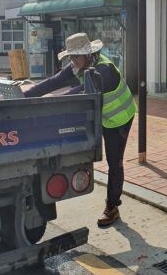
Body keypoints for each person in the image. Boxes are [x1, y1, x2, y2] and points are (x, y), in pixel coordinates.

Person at [24, 33, 136, 227]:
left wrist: (52, 101)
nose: (73, 61)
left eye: (76, 56)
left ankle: (112, 207)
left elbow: (80, 93)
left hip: (120, 118)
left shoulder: (103, 70)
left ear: (88, 54)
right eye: (70, 57)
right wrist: (25, 96)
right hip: (102, 115)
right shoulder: (78, 65)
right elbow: (53, 82)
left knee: (114, 162)